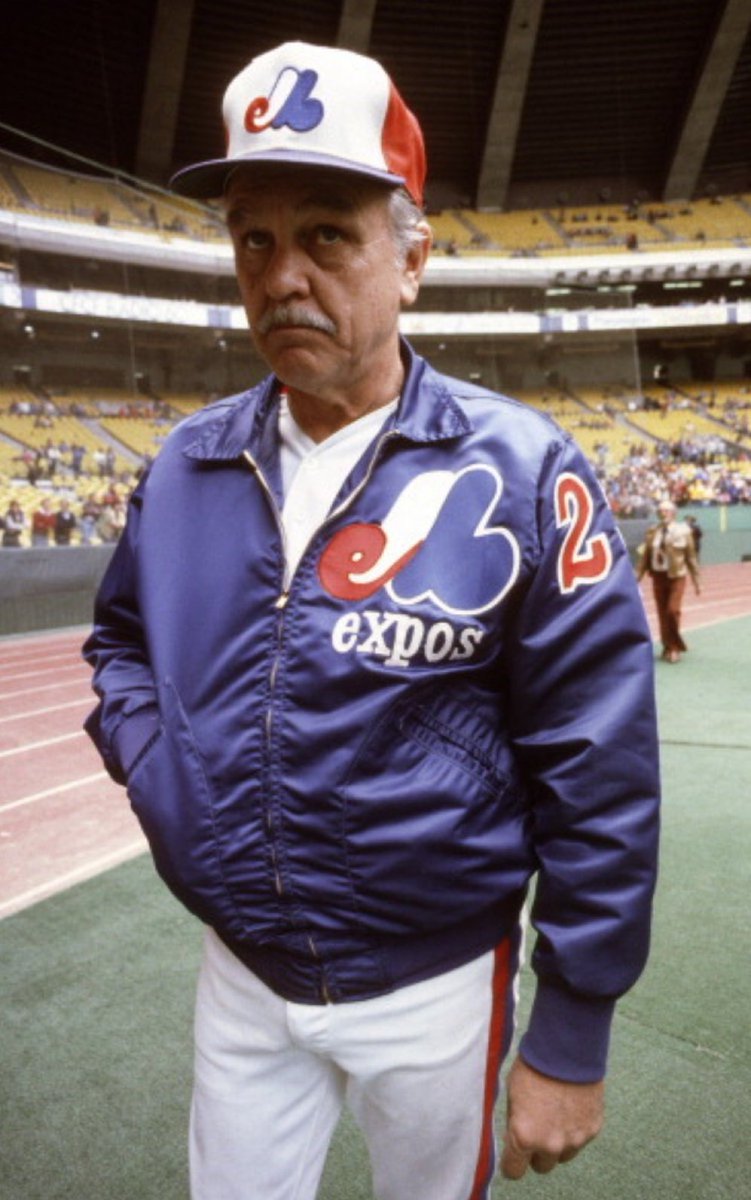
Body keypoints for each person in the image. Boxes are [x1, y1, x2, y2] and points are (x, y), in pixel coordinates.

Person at [83, 42, 660, 1200]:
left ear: (411, 261)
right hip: (242, 972)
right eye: (254, 239)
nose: (283, 276)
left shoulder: (523, 469)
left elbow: (596, 761)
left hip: (435, 981)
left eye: (326, 235)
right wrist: (159, 770)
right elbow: (121, 645)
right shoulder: (186, 465)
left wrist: (572, 1027)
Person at [636, 498, 700, 662]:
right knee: (662, 613)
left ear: (673, 513)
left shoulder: (683, 531)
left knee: (672, 611)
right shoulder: (653, 531)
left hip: (676, 576)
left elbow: (691, 557)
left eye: (666, 510)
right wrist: (637, 577)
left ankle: (674, 647)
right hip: (658, 576)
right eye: (660, 511)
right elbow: (645, 557)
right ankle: (668, 646)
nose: (662, 513)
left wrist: (697, 582)